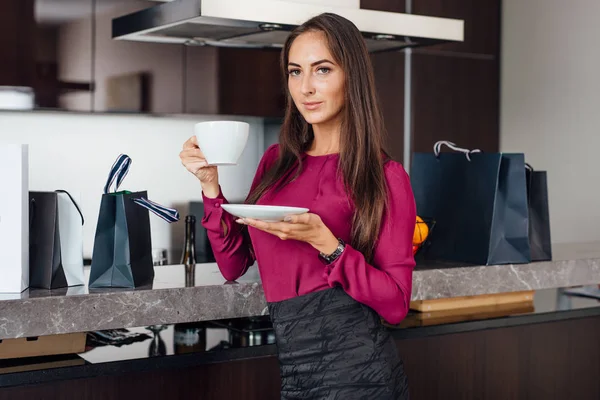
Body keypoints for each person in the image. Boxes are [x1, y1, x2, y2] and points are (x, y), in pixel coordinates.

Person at [180, 12, 416, 400]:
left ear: (350, 76)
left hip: (359, 377)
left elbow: (396, 304)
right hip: (294, 373)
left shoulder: (385, 175)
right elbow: (234, 265)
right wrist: (211, 188)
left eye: (322, 70)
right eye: (295, 72)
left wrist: (330, 246)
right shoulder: (275, 162)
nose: (306, 87)